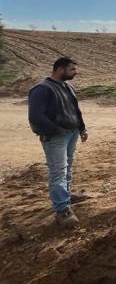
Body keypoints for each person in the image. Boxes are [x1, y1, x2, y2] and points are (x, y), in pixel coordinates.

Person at [28, 57, 89, 227]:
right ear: (60, 69)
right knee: (58, 171)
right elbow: (36, 116)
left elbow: (75, 110)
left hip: (72, 133)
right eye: (72, 70)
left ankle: (66, 196)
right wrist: (57, 131)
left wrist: (82, 128)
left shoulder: (68, 87)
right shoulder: (42, 89)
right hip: (56, 137)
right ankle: (62, 208)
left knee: (67, 167)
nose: (75, 73)